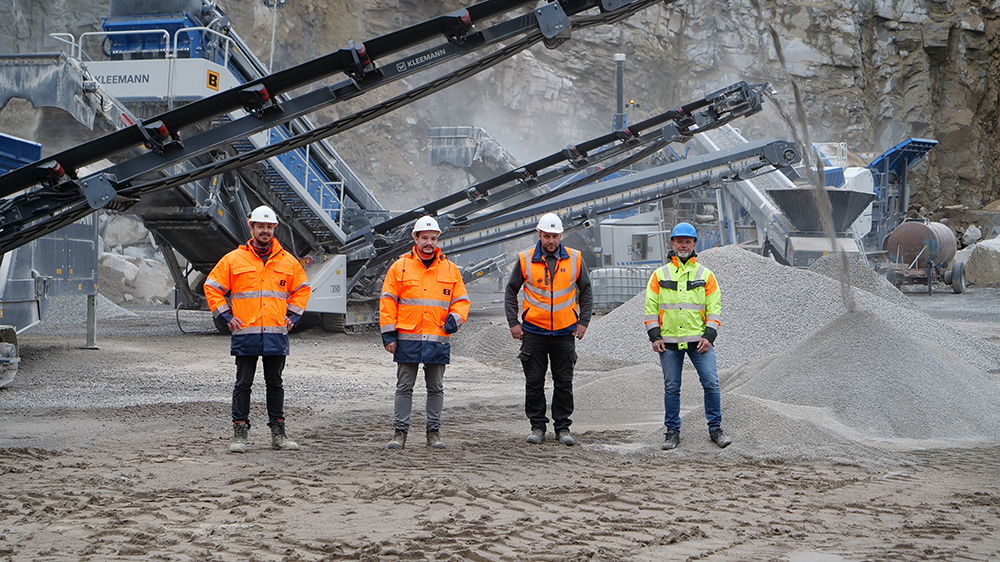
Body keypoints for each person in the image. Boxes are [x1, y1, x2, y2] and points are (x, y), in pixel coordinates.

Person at [204, 205, 311, 453]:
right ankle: (240, 435)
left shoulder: (288, 261)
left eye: (269, 227)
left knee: (275, 384)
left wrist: (293, 316)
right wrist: (225, 317)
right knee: (243, 384)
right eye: (260, 226)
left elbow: (303, 288)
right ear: (251, 227)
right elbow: (212, 286)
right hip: (245, 333)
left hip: (275, 334)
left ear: (275, 228)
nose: (265, 230)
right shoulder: (233, 259)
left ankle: (278, 435)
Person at [379, 215, 470, 450]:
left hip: (437, 338)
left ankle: (433, 433)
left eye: (433, 238)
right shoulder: (399, 267)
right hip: (407, 338)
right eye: (425, 238)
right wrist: (388, 335)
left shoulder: (450, 269)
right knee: (404, 387)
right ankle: (400, 433)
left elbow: (462, 300)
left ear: (438, 239)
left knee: (436, 388)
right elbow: (388, 302)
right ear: (415, 238)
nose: (429, 243)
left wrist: (455, 320)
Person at [505, 212, 593, 446]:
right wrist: (514, 323)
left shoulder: (575, 259)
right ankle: (537, 426)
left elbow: (586, 290)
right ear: (539, 235)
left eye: (554, 236)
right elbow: (511, 291)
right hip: (534, 332)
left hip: (565, 332)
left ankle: (562, 427)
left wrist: (583, 321)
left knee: (564, 382)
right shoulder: (525, 259)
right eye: (546, 236)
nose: (550, 241)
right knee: (534, 382)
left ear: (561, 235)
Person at [644, 222, 732, 450]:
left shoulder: (706, 275)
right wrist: (655, 336)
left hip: (700, 342)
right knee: (672, 387)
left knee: (711, 383)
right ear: (672, 243)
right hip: (669, 342)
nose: (683, 245)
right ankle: (672, 432)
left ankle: (716, 429)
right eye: (679, 241)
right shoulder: (659, 275)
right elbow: (650, 307)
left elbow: (715, 307)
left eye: (688, 241)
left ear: (694, 244)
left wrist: (709, 336)